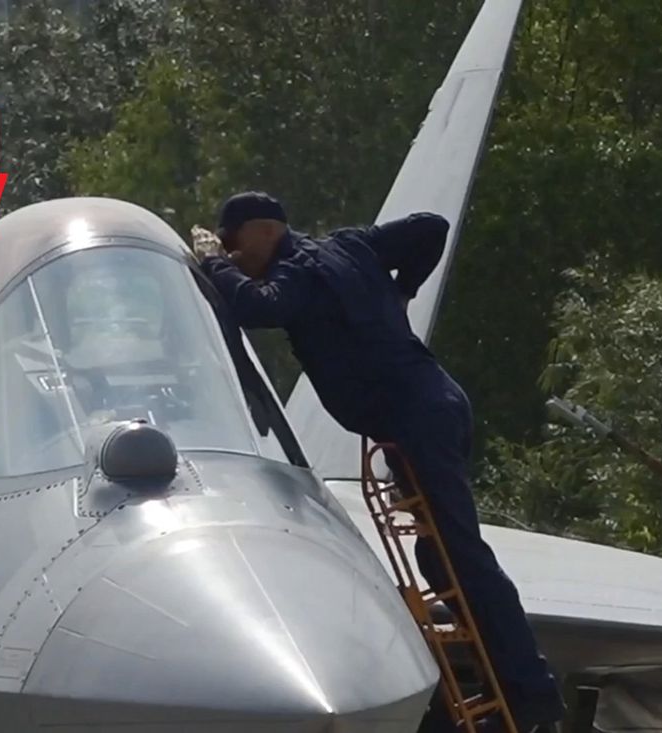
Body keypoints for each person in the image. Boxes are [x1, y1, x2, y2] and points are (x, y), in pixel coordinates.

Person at [192, 191, 565, 732]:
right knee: (441, 561)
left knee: (463, 555)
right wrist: (402, 291)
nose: (232, 253)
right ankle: (504, 685)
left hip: (417, 417)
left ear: (264, 231)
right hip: (434, 404)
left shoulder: (297, 271)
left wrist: (211, 264)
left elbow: (257, 306)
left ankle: (531, 697)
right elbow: (429, 227)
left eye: (233, 242)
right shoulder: (351, 245)